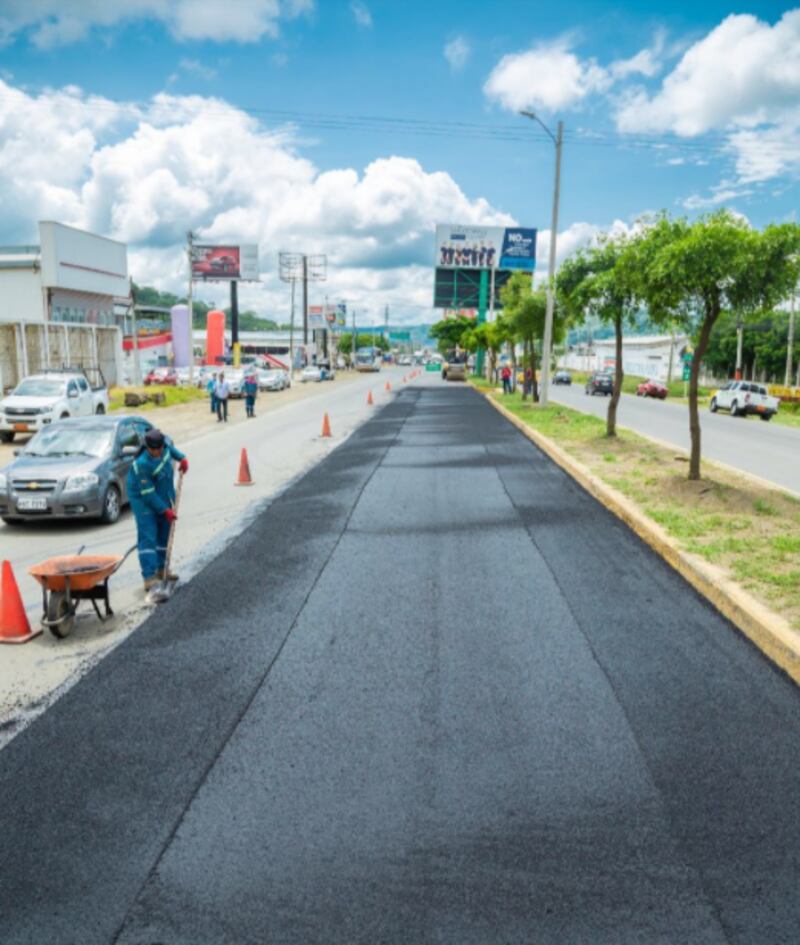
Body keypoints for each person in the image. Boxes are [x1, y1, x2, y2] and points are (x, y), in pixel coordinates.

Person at [127, 428, 188, 593]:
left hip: (162, 493)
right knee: (148, 537)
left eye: (160, 449)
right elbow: (148, 494)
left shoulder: (163, 445)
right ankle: (149, 576)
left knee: (164, 533)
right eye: (154, 450)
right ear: (148, 447)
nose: (158, 452)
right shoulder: (142, 464)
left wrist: (182, 458)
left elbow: (172, 450)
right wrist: (164, 510)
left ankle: (162, 569)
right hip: (144, 502)